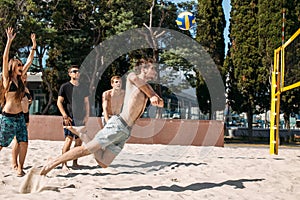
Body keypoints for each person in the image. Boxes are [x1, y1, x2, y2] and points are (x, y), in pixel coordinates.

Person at [40, 58, 164, 175]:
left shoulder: (148, 88)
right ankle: (52, 163)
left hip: (126, 131)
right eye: (153, 68)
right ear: (143, 69)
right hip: (118, 125)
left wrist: (154, 96)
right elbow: (148, 90)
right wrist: (153, 96)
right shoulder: (133, 77)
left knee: (103, 162)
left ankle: (83, 134)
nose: (155, 72)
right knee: (86, 150)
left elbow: (160, 101)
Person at [0, 27, 36, 176]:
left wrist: (33, 46)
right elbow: (4, 59)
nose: (22, 67)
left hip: (20, 117)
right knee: (1, 144)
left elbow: (30, 60)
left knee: (24, 142)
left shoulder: (21, 80)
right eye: (19, 65)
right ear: (13, 67)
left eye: (22, 65)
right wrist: (9, 41)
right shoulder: (7, 80)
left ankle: (20, 167)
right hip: (7, 117)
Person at [57, 65, 90, 170]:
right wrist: (64, 115)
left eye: (78, 71)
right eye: (74, 71)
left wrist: (87, 116)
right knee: (69, 139)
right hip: (69, 118)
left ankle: (75, 163)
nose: (77, 73)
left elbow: (87, 103)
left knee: (79, 141)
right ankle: (64, 163)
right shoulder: (65, 86)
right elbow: (59, 102)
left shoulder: (84, 87)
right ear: (69, 74)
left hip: (80, 118)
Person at [11, 73, 32, 170]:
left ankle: (19, 164)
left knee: (22, 140)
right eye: (22, 76)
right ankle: (14, 163)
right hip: (18, 115)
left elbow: (28, 102)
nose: (24, 78)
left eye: (25, 76)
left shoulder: (26, 89)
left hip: (26, 115)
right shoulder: (16, 88)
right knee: (17, 141)